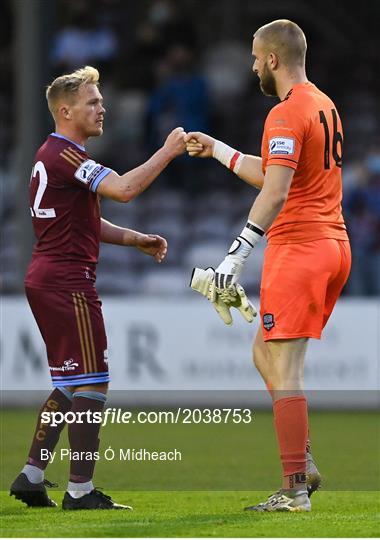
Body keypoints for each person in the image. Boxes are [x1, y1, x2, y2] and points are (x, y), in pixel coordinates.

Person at [186, 19, 351, 512]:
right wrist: (216, 149)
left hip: (299, 247)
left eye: (256, 57)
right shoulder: (322, 104)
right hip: (332, 245)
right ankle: (300, 455)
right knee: (263, 353)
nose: (253, 64)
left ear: (273, 60)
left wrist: (234, 258)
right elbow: (274, 173)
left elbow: (276, 192)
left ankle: (295, 488)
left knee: (285, 367)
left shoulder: (284, 112)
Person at [10, 65, 186, 510]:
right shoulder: (69, 157)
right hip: (68, 282)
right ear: (65, 111)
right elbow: (124, 189)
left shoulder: (50, 155)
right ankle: (80, 491)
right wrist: (168, 151)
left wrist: (134, 239)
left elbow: (85, 218)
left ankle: (31, 476)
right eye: (93, 102)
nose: (102, 108)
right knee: (94, 383)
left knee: (69, 383)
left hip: (47, 277)